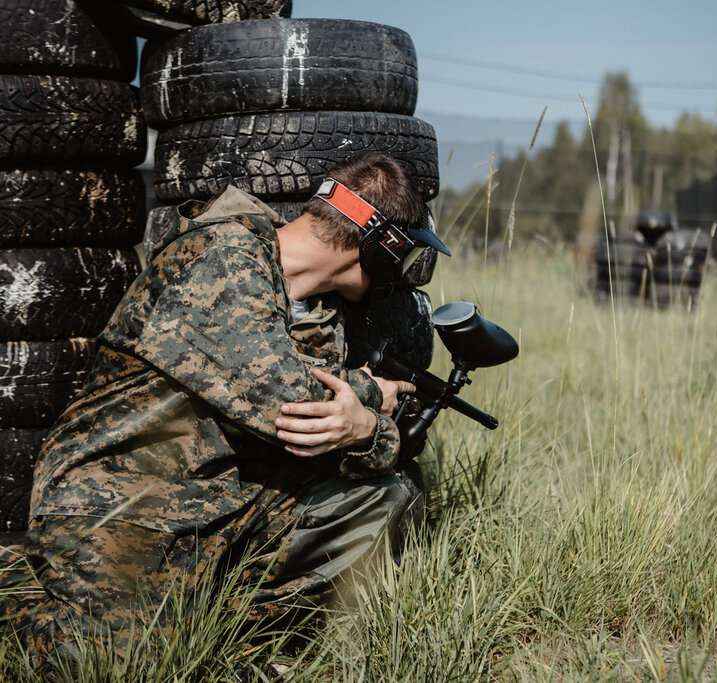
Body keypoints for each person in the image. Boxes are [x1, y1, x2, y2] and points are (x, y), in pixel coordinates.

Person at [12, 153, 449, 662]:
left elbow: (326, 434)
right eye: (405, 260)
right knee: (108, 662)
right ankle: (26, 595)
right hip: (123, 506)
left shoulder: (320, 315)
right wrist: (373, 401)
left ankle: (239, 639)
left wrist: (366, 431)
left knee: (384, 497)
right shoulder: (223, 255)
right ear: (377, 250)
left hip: (227, 507)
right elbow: (291, 403)